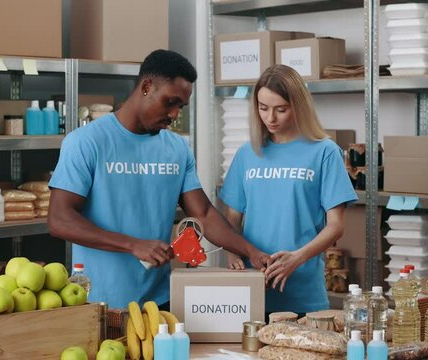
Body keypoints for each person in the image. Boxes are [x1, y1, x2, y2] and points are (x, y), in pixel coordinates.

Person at [47, 49, 269, 309]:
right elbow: (59, 219)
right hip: (98, 301)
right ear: (147, 86)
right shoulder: (86, 142)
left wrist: (250, 251)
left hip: (161, 301)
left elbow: (204, 214)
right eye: (170, 102)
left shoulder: (177, 148)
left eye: (181, 107)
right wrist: (133, 245)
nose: (175, 114)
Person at [220, 64, 358, 314]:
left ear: (298, 106)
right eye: (263, 108)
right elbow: (232, 219)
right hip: (252, 293)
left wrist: (297, 258)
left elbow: (336, 226)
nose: (270, 118)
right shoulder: (246, 154)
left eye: (280, 109)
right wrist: (233, 253)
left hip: (304, 295)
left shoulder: (325, 152)